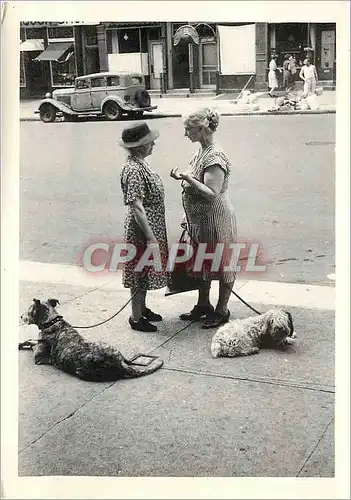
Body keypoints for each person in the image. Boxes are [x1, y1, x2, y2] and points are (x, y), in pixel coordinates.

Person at [170, 108, 237, 329]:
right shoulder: (201, 151)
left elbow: (211, 192)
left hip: (215, 219)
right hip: (200, 220)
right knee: (203, 261)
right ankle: (203, 304)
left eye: (188, 129)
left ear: (202, 129)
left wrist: (187, 178)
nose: (185, 133)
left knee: (222, 262)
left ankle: (222, 309)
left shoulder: (214, 156)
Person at [120, 122, 169, 332]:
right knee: (139, 270)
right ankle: (136, 317)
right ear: (140, 146)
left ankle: (142, 308)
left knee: (146, 269)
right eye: (150, 142)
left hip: (151, 224)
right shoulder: (133, 169)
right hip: (142, 229)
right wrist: (151, 237)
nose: (154, 145)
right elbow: (137, 206)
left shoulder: (140, 164)